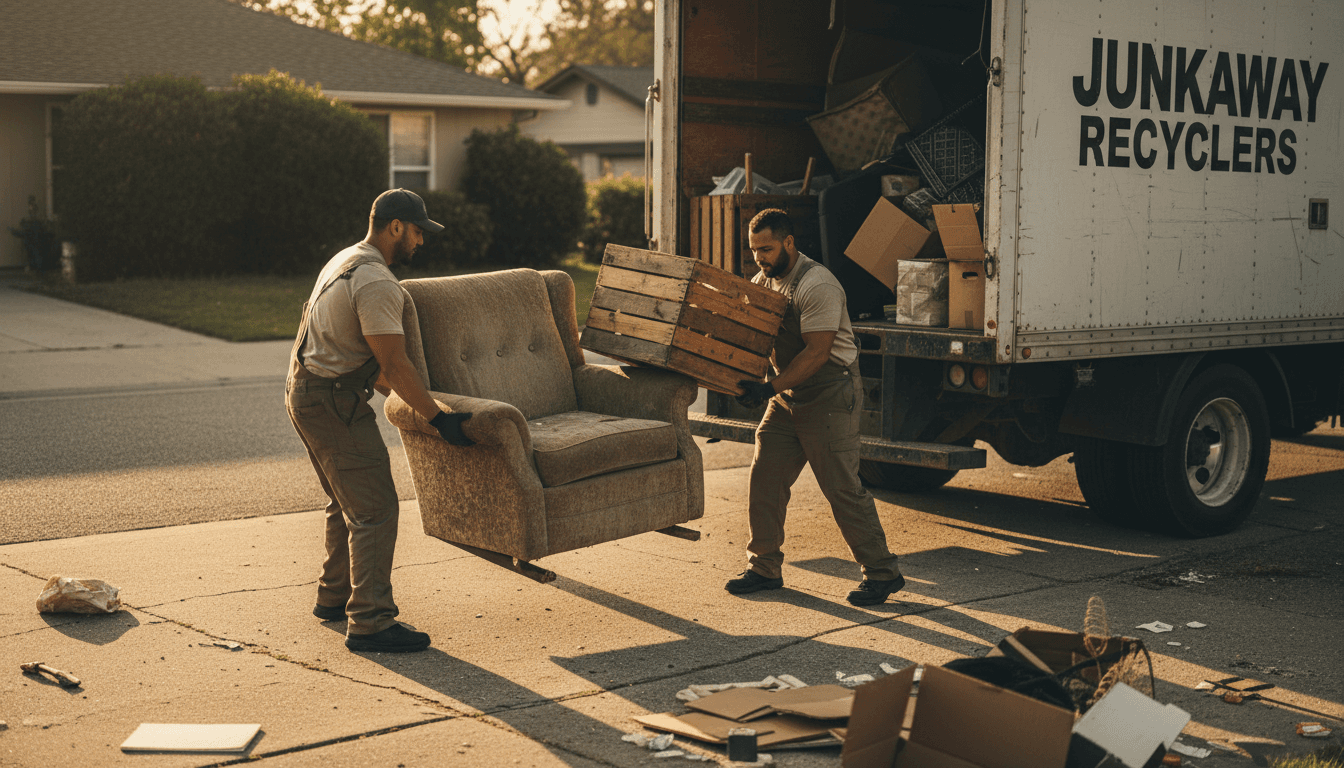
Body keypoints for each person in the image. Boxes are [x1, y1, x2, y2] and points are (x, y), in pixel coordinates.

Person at [286, 188, 474, 653]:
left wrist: (419, 405)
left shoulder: (346, 259)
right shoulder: (377, 282)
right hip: (331, 401)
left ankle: (334, 597)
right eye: (416, 232)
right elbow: (393, 364)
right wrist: (438, 419)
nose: (420, 242)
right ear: (395, 227)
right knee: (375, 509)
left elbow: (376, 366)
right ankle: (370, 620)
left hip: (304, 390)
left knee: (345, 500)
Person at [725, 208, 905, 606]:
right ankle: (764, 568)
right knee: (765, 477)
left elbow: (818, 353)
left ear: (789, 243)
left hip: (828, 393)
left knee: (841, 487)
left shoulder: (817, 284)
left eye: (767, 249)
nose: (760, 258)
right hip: (789, 396)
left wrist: (767, 388)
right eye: (754, 250)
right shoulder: (764, 282)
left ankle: (882, 573)